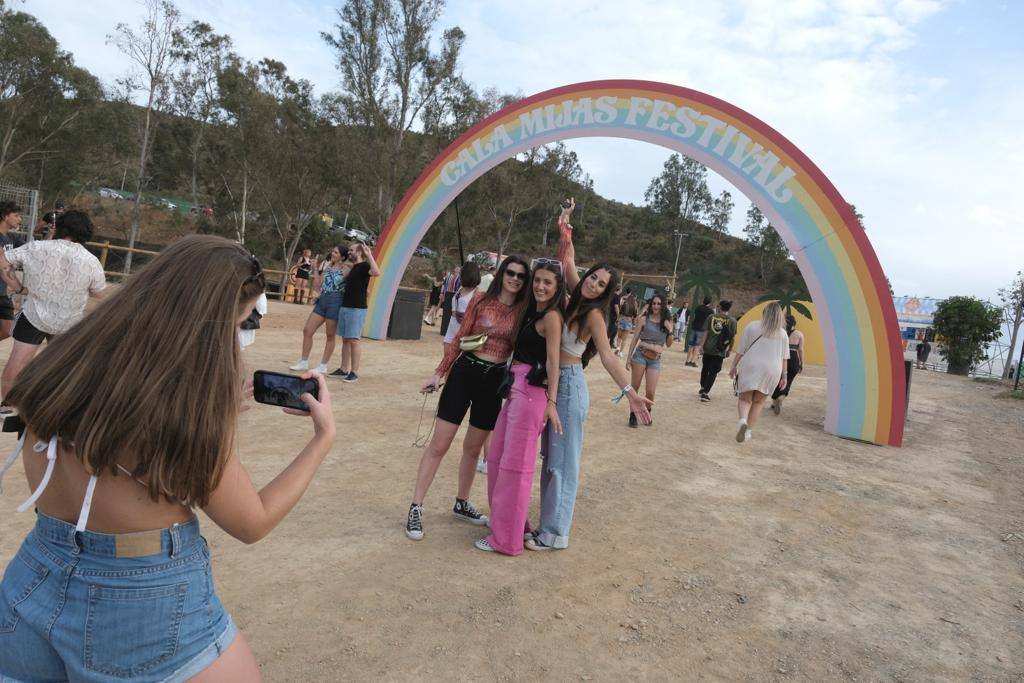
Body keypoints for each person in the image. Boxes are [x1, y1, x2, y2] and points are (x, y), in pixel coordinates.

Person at [0, 235, 335, 681]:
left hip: (32, 576)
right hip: (139, 595)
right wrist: (322, 440)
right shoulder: (183, 414)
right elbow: (251, 522)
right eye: (238, 324)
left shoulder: (64, 364)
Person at [525, 221, 652, 552]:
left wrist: (631, 394)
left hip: (569, 387)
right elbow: (567, 260)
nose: (594, 285)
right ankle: (546, 526)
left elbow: (609, 357)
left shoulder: (595, 314)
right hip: (551, 384)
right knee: (550, 460)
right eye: (593, 277)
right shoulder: (573, 296)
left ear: (607, 291)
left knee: (562, 463)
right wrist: (565, 227)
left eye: (602, 284)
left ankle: (554, 533)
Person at [405, 256, 529, 541]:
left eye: (521, 276)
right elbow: (460, 336)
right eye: (510, 272)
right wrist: (439, 373)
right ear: (501, 273)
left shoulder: (523, 309)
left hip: (494, 381)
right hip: (465, 373)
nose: (514, 279)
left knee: (473, 449)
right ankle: (416, 506)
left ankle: (461, 502)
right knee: (440, 444)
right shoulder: (482, 300)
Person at [474, 260, 564, 555]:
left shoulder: (551, 317)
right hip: (516, 389)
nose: (540, 286)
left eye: (547, 282)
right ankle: (513, 525)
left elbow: (554, 362)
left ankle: (506, 540)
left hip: (532, 393)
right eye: (537, 280)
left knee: (516, 467)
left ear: (556, 287)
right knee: (499, 459)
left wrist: (551, 402)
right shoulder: (531, 310)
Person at [0, 210, 106, 416]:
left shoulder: (36, 248)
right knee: (63, 365)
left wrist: (18, 286)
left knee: (19, 359)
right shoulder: (90, 260)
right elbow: (99, 293)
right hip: (69, 321)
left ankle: (6, 405)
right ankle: (56, 407)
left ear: (60, 227)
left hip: (34, 315)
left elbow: (3, 261)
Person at [729, 302, 789, 443]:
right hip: (772, 369)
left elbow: (741, 350)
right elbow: (785, 357)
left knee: (745, 399)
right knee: (758, 402)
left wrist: (733, 366)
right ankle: (748, 431)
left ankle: (743, 421)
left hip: (752, 365)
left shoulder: (752, 326)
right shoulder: (783, 334)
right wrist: (784, 376)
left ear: (764, 313)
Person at [327, 243, 380, 383]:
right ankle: (343, 369)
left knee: (354, 340)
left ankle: (354, 372)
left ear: (359, 252)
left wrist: (369, 256)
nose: (349, 252)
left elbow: (376, 272)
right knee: (345, 339)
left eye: (351, 250)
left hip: (356, 309)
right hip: (346, 307)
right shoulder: (354, 267)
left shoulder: (364, 266)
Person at [290, 244, 347, 373]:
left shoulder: (346, 268)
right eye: (333, 251)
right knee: (307, 330)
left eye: (336, 253)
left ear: (342, 257)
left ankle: (323, 365)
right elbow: (317, 285)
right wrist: (315, 268)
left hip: (335, 302)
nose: (332, 254)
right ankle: (304, 361)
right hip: (322, 300)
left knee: (330, 335)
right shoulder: (328, 267)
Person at [625, 293, 674, 427]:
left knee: (651, 391)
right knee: (635, 387)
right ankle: (633, 415)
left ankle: (647, 411)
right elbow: (635, 339)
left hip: (655, 360)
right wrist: (628, 358)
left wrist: (670, 330)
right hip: (640, 356)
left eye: (659, 304)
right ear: (651, 304)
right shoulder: (644, 319)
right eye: (654, 303)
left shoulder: (668, 322)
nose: (656, 306)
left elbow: (669, 344)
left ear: (663, 305)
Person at [698, 300, 738, 402]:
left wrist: (701, 345)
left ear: (719, 307)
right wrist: (729, 349)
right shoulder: (732, 321)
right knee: (713, 372)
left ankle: (703, 387)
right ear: (729, 308)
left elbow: (706, 332)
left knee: (705, 368)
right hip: (720, 350)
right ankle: (705, 393)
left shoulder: (711, 317)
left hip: (708, 348)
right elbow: (732, 337)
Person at [0, 201, 26, 343]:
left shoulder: (11, 238)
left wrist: (51, 234)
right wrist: (20, 288)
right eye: (16, 215)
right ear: (5, 216)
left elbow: (33, 249)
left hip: (2, 293)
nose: (19, 219)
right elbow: (3, 266)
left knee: (7, 330)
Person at [442, 262, 482, 353]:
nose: (459, 275)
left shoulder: (477, 294)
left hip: (466, 335)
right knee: (447, 362)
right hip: (452, 329)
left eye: (461, 273)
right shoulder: (460, 289)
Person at [771, 314, 805, 414]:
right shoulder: (799, 334)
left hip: (781, 358)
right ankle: (781, 397)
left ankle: (774, 401)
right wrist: (801, 362)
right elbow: (801, 349)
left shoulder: (780, 333)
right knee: (788, 380)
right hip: (794, 359)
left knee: (777, 380)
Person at [685, 296, 714, 366]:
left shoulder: (698, 307)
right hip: (702, 329)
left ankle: (687, 360)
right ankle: (693, 361)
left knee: (691, 345)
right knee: (697, 346)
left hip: (694, 327)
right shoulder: (710, 311)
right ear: (709, 303)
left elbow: (695, 315)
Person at [438, 267, 461, 337]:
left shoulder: (449, 277)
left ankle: (443, 331)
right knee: (449, 313)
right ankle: (446, 331)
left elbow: (443, 286)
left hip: (449, 294)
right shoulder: (459, 278)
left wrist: (442, 293)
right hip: (452, 294)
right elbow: (444, 285)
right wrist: (442, 293)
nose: (457, 272)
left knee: (447, 313)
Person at [614, 289, 637, 356]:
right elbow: (635, 316)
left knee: (619, 337)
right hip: (628, 322)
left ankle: (618, 347)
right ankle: (621, 352)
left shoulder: (624, 304)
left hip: (622, 320)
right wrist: (634, 325)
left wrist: (618, 320)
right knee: (624, 339)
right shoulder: (633, 307)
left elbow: (620, 313)